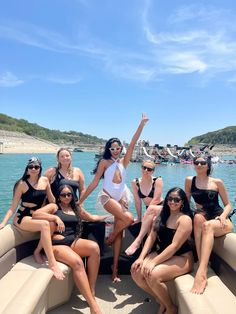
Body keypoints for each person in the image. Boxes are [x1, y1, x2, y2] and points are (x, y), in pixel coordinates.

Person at [78, 113, 149, 282]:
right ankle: (108, 239)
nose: (116, 150)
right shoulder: (105, 162)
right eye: (112, 148)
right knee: (129, 218)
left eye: (118, 148)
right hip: (106, 198)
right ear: (108, 149)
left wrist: (141, 125)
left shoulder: (124, 162)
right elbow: (95, 182)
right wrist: (80, 201)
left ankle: (114, 269)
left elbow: (132, 143)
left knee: (119, 234)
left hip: (119, 199)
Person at [33, 184, 105, 314]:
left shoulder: (76, 208)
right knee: (77, 262)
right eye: (63, 195)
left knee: (94, 248)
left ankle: (91, 288)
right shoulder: (54, 206)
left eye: (69, 194)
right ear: (58, 197)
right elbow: (36, 214)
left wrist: (110, 218)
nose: (66, 197)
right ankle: (93, 305)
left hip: (72, 241)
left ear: (72, 195)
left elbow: (91, 218)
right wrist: (55, 217)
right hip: (56, 244)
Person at [0, 157, 64, 280]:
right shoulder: (22, 184)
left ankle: (37, 251)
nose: (33, 169)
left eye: (36, 167)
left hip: (37, 214)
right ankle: (52, 263)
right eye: (31, 167)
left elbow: (52, 201)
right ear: (27, 169)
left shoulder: (45, 180)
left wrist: (49, 192)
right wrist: (3, 222)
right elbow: (13, 207)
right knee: (45, 225)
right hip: (23, 217)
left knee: (52, 212)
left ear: (40, 168)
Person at [131, 187, 194, 314]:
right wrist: (141, 258)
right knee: (136, 272)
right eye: (170, 198)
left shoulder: (184, 219)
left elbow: (174, 246)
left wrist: (154, 262)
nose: (173, 202)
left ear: (182, 202)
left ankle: (171, 308)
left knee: (152, 275)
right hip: (163, 253)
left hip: (182, 257)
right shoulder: (163, 214)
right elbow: (151, 237)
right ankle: (161, 300)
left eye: (177, 199)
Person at [185, 155, 233, 294]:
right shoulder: (189, 181)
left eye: (202, 162)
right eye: (196, 162)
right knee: (198, 218)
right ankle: (201, 262)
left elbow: (228, 205)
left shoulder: (217, 182)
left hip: (220, 219)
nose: (199, 164)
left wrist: (223, 216)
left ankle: (202, 273)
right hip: (203, 216)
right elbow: (187, 202)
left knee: (208, 226)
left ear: (208, 165)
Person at [125, 159, 163, 256]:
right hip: (148, 210)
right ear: (141, 168)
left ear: (153, 171)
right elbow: (138, 201)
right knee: (150, 220)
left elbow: (156, 199)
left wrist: (146, 214)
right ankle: (150, 249)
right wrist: (139, 217)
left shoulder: (158, 180)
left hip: (160, 208)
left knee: (153, 220)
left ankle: (139, 242)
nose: (146, 170)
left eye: (149, 169)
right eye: (144, 168)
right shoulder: (135, 182)